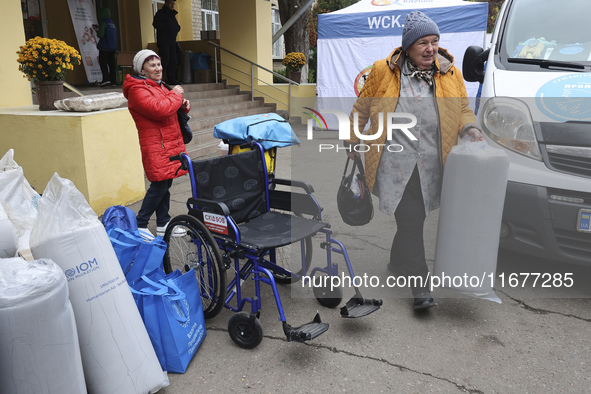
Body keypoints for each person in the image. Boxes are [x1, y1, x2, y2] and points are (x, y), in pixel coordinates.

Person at [345, 11, 484, 311]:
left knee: (414, 220)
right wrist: (352, 140)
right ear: (408, 46)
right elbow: (362, 108)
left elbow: (462, 110)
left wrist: (470, 128)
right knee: (410, 220)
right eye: (423, 42)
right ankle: (421, 287)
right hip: (395, 163)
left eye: (434, 41)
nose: (430, 49)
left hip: (432, 164)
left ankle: (397, 260)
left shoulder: (450, 73)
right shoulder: (384, 71)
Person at [122, 49, 190, 237]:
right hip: (156, 145)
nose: (158, 68)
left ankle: (163, 223)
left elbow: (169, 109)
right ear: (141, 70)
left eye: (159, 64)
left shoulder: (158, 86)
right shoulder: (137, 89)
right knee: (159, 185)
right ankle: (141, 223)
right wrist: (176, 95)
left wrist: (182, 106)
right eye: (152, 65)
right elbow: (159, 110)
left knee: (165, 183)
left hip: (167, 143)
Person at [152, 0, 181, 84]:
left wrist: (177, 28)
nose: (172, 5)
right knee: (165, 60)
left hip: (172, 41)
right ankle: (160, 79)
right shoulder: (161, 13)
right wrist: (167, 27)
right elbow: (156, 24)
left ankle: (172, 79)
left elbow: (175, 25)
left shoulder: (172, 15)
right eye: (171, 3)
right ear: (166, 3)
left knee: (173, 60)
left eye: (173, 4)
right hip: (164, 41)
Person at [96, 7, 118, 87]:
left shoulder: (103, 22)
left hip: (104, 47)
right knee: (112, 65)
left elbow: (100, 34)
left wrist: (97, 31)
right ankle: (113, 82)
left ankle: (106, 80)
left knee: (103, 64)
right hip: (112, 48)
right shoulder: (112, 23)